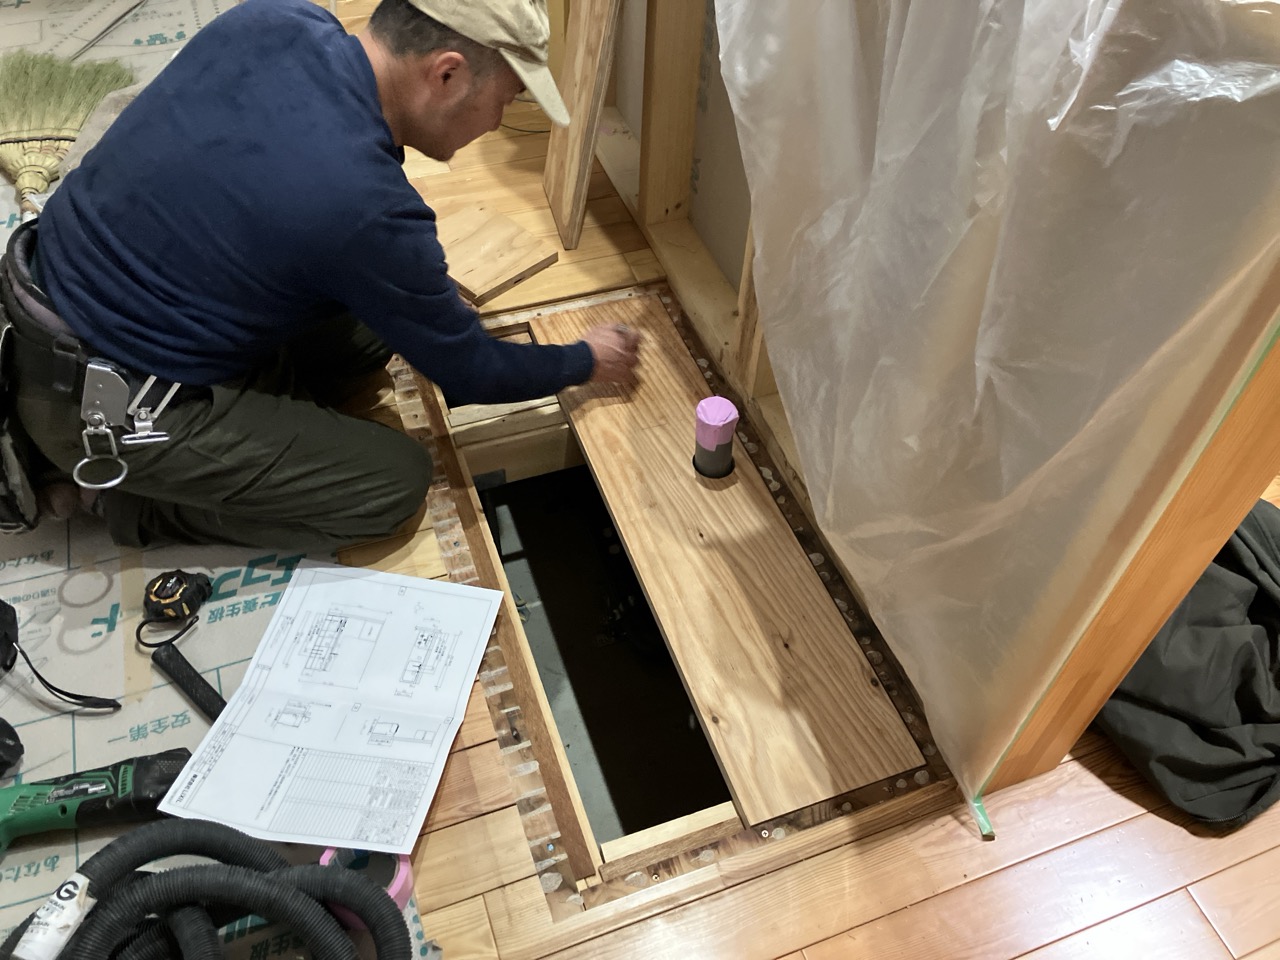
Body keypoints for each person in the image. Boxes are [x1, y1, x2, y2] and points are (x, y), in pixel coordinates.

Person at [0, 0, 640, 551]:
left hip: (66, 291)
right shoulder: (364, 205)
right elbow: (472, 375)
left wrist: (414, 292)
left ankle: (251, 423)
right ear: (447, 74)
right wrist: (586, 360)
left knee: (373, 332)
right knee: (392, 485)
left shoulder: (278, 18)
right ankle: (117, 500)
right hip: (106, 404)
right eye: (506, 98)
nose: (500, 120)